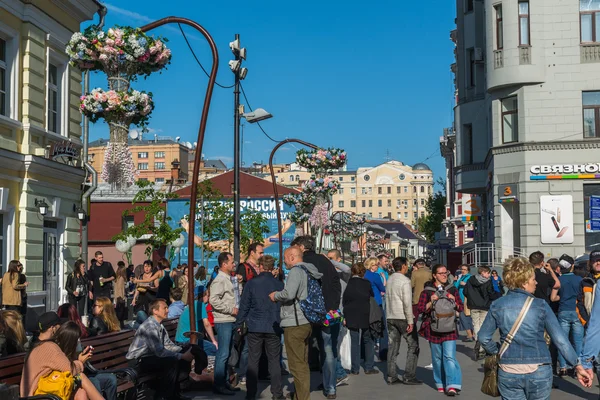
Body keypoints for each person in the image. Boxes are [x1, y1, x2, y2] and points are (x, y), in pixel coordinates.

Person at [478, 257, 592, 399]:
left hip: (508, 369)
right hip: (539, 368)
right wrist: (577, 366)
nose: (536, 282)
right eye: (533, 279)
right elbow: (561, 340)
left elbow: (483, 337)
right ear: (524, 282)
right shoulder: (541, 305)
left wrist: (497, 350)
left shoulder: (497, 304)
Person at [291, 236, 342, 399]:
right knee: (328, 350)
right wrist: (332, 307)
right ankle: (331, 388)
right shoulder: (325, 261)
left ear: (301, 247)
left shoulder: (301, 264)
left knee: (303, 350)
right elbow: (336, 284)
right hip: (328, 313)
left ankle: (302, 389)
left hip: (307, 314)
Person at [269, 246, 323, 400]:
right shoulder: (310, 270)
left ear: (292, 257)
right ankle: (299, 394)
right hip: (306, 320)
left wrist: (275, 296)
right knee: (302, 363)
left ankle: (302, 397)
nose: (284, 262)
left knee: (296, 365)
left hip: (295, 321)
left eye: (285, 258)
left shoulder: (296, 271)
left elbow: (289, 293)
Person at [126, 299, 198, 400]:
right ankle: (166, 396)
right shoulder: (149, 327)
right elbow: (159, 352)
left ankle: (176, 392)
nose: (168, 310)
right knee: (172, 361)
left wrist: (182, 351)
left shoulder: (159, 325)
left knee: (183, 352)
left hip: (151, 357)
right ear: (155, 311)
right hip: (138, 361)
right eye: (165, 308)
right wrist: (182, 356)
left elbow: (168, 345)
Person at [236, 255, 285, 400]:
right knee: (274, 361)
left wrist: (239, 323)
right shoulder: (279, 284)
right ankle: (277, 393)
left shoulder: (251, 283)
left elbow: (244, 306)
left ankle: (251, 394)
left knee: (253, 360)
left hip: (255, 325)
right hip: (273, 325)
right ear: (272, 267)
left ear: (261, 267)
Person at [21, 321, 103, 400]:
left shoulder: (45, 346)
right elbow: (70, 369)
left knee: (81, 393)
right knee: (81, 377)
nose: (79, 343)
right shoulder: (49, 347)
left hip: (44, 389)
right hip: (36, 395)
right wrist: (80, 362)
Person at [417, 264, 463, 396]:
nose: (444, 275)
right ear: (434, 275)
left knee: (449, 357)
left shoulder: (452, 289)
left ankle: (452, 385)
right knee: (437, 358)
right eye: (441, 273)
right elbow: (420, 310)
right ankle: (440, 382)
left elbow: (460, 308)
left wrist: (454, 300)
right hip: (434, 328)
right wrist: (431, 302)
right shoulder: (427, 291)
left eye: (446, 273)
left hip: (450, 328)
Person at [56, 304, 117, 400]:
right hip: (69, 378)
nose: (78, 341)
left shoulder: (74, 334)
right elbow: (67, 370)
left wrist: (83, 354)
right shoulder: (59, 341)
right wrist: (80, 361)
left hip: (81, 373)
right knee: (94, 382)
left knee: (111, 379)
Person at [386, 257, 421, 385]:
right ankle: (409, 375)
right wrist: (410, 321)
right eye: (407, 265)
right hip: (402, 317)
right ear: (403, 266)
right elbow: (407, 302)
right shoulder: (405, 281)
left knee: (393, 347)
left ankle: (391, 376)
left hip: (390, 315)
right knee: (413, 345)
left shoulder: (390, 279)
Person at [209, 252, 240, 395]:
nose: (234, 264)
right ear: (224, 264)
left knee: (227, 353)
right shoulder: (219, 280)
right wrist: (230, 310)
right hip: (224, 320)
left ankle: (225, 381)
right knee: (223, 353)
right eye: (232, 261)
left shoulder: (229, 278)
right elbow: (213, 300)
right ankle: (219, 384)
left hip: (230, 319)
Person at [342, 262, 376, 375]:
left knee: (354, 341)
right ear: (363, 272)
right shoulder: (366, 283)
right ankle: (368, 366)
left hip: (351, 314)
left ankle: (355, 368)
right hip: (365, 313)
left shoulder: (348, 283)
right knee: (368, 340)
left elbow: (344, 299)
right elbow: (371, 295)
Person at [554, 254, 584, 376]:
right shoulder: (579, 280)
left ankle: (563, 367)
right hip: (577, 311)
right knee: (578, 342)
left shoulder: (559, 280)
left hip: (563, 311)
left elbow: (553, 297)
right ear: (572, 266)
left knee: (563, 341)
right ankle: (577, 367)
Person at [464, 265, 497, 360]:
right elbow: (491, 293)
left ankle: (478, 340)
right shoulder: (488, 282)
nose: (489, 275)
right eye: (488, 273)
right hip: (485, 306)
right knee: (483, 325)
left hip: (473, 305)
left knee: (476, 325)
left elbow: (465, 291)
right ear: (483, 272)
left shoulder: (471, 280)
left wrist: (471, 298)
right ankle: (482, 347)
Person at [175, 288, 218, 358]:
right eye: (208, 295)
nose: (209, 297)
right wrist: (214, 341)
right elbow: (206, 324)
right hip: (186, 340)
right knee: (214, 348)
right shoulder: (200, 304)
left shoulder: (192, 304)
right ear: (203, 296)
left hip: (181, 339)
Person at [453, 264, 474, 342]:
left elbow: (473, 287)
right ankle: (471, 335)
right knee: (465, 317)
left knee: (464, 317)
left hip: (466, 299)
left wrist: (465, 285)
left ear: (468, 270)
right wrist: (455, 280)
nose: (463, 270)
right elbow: (455, 287)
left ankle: (470, 335)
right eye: (462, 269)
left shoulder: (470, 277)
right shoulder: (461, 277)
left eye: (465, 269)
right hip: (460, 299)